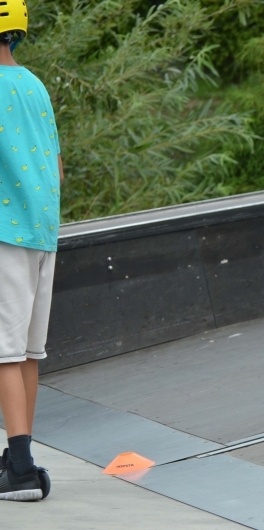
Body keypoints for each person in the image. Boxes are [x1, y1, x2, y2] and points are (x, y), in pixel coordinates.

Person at [0, 0, 63, 501]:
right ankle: (18, 457)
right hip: (43, 233)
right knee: (26, 354)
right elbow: (58, 170)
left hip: (3, 233)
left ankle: (19, 470)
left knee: (3, 353)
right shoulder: (35, 85)